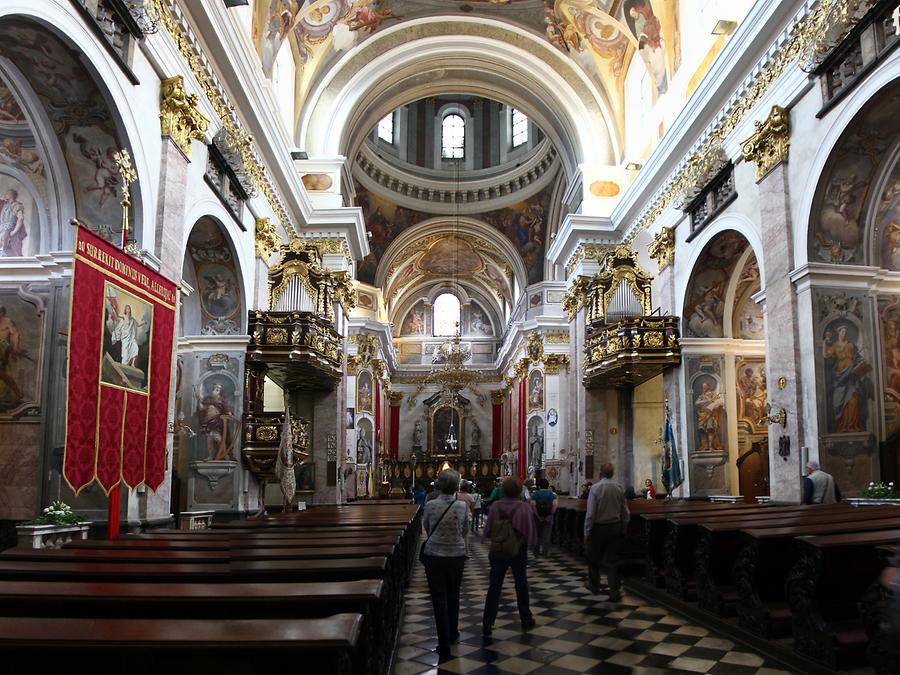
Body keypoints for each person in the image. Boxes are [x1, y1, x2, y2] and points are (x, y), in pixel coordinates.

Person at [421, 470, 470, 661]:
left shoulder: (431, 505)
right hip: (456, 554)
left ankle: (443, 641)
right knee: (454, 595)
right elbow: (466, 529)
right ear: (456, 486)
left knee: (438, 598)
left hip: (433, 554)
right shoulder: (462, 506)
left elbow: (426, 527)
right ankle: (453, 633)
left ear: (439, 485)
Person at [482, 477, 537, 637]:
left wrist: (485, 538)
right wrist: (533, 545)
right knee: (521, 583)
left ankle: (488, 622)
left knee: (495, 585)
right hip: (518, 549)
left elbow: (489, 527)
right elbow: (530, 529)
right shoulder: (524, 507)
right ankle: (526, 617)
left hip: (498, 548)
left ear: (503, 490)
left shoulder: (496, 506)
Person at [584, 463, 629, 601]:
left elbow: (591, 513)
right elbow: (625, 511)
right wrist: (624, 527)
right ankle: (614, 590)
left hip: (599, 528)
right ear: (612, 473)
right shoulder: (619, 488)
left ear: (600, 473)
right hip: (615, 527)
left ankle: (594, 586)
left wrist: (586, 532)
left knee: (593, 558)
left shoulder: (596, 488)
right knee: (613, 561)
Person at [531, 478, 557, 557]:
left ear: (539, 486)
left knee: (537, 535)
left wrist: (538, 517)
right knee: (547, 536)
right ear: (547, 485)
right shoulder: (552, 495)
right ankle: (545, 552)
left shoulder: (535, 494)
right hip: (548, 518)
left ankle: (536, 552)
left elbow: (533, 506)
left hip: (537, 518)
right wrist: (549, 515)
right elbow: (555, 505)